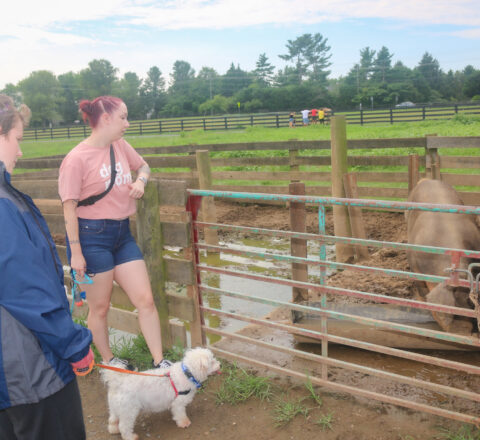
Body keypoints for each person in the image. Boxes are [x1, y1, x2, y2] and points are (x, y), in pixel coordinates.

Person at [0, 94, 93, 440]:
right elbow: (23, 289)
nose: (20, 153)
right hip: (30, 371)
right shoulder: (3, 205)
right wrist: (74, 345)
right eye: (17, 140)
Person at [58, 96, 171, 371]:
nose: (127, 123)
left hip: (123, 234)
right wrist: (76, 255)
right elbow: (69, 208)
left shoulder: (119, 145)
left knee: (145, 299)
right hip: (91, 237)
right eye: (123, 117)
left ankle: (160, 362)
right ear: (105, 119)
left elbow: (143, 165)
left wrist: (141, 182)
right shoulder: (76, 159)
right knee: (100, 308)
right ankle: (109, 362)